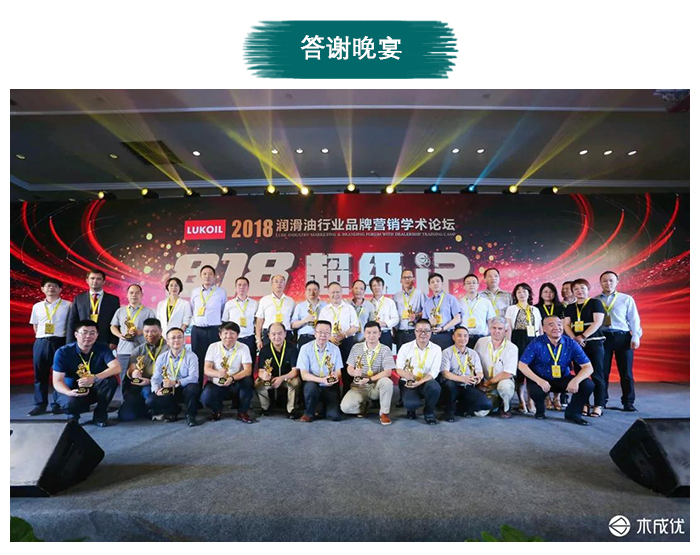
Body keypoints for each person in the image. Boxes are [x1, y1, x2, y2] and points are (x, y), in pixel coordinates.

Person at [518, 316, 595, 425]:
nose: (556, 328)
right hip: (541, 378)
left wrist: (576, 380)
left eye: (559, 324)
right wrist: (539, 380)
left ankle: (573, 413)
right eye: (551, 325)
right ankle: (540, 410)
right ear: (544, 329)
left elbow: (588, 367)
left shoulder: (571, 343)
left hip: (562, 378)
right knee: (535, 390)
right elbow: (522, 365)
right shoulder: (536, 343)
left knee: (587, 385)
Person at [52, 319, 120, 426]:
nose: (88, 336)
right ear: (76, 334)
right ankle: (72, 416)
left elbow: (116, 368)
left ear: (97, 335)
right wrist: (69, 392)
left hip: (92, 387)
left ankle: (100, 415)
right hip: (71, 389)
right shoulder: (63, 352)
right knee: (70, 403)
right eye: (84, 333)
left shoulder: (103, 348)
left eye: (92, 333)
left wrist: (95, 377)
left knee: (110, 381)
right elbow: (57, 381)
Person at [596, 271, 642, 412]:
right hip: (603, 338)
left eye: (611, 280)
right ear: (600, 283)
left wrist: (636, 336)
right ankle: (601, 401)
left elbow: (634, 319)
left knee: (626, 372)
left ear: (617, 282)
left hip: (623, 337)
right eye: (605, 280)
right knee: (603, 372)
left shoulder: (626, 299)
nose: (608, 283)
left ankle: (628, 402)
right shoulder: (595, 300)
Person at [28, 277, 72, 416]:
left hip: (60, 342)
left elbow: (70, 325)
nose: (51, 288)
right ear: (42, 289)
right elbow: (35, 326)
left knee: (60, 374)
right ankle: (40, 405)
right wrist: (43, 337)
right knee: (40, 374)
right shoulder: (37, 306)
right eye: (48, 286)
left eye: (55, 286)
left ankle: (58, 404)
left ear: (60, 289)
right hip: (41, 342)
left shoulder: (68, 305)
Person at [563, 278, 606, 418]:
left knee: (597, 374)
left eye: (582, 288)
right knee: (580, 375)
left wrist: (583, 336)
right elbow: (566, 325)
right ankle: (584, 404)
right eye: (576, 289)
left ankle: (598, 405)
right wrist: (574, 339)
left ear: (588, 289)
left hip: (593, 342)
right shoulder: (570, 307)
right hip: (577, 344)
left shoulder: (595, 303)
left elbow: (598, 322)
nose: (579, 291)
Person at [340, 321, 396, 425]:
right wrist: (353, 372)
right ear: (364, 334)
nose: (371, 336)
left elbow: (388, 372)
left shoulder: (385, 349)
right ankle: (364, 406)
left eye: (375, 333)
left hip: (376, 386)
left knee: (387, 382)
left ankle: (384, 413)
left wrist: (369, 379)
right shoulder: (356, 347)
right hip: (359, 387)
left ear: (379, 334)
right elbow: (349, 368)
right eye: (368, 333)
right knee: (345, 408)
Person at [201, 322, 254, 424]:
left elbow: (248, 370)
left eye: (232, 333)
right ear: (220, 335)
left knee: (248, 383)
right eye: (225, 333)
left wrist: (232, 378)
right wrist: (218, 374)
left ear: (237, 335)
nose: (229, 336)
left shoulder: (243, 347)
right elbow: (206, 369)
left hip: (235, 381)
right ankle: (217, 409)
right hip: (217, 382)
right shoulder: (213, 347)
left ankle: (242, 412)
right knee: (206, 398)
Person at [147, 327, 201, 427]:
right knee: (150, 400)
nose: (176, 340)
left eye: (179, 337)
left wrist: (176, 382)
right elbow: (156, 378)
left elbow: (194, 377)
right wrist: (156, 390)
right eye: (173, 338)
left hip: (184, 387)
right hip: (168, 389)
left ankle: (190, 415)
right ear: (167, 341)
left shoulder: (191, 356)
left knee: (193, 387)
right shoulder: (162, 357)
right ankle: (173, 411)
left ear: (184, 340)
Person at [396, 319, 442, 425]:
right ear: (415, 332)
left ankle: (429, 412)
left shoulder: (436, 349)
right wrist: (407, 375)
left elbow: (434, 371)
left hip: (426, 381)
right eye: (420, 330)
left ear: (431, 332)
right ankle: (411, 409)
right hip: (409, 382)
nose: (423, 333)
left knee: (435, 387)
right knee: (411, 404)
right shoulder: (405, 347)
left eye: (426, 330)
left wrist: (420, 382)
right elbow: (399, 369)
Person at [505, 282, 543, 413]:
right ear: (515, 295)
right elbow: (509, 328)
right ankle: (521, 400)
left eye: (524, 291)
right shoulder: (511, 309)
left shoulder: (535, 309)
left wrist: (542, 343)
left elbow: (539, 328)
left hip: (533, 341)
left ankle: (530, 400)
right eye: (519, 292)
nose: (522, 294)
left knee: (532, 371)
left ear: (529, 294)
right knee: (520, 371)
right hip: (518, 339)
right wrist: (508, 344)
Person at [118, 318, 165, 421]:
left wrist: (150, 381)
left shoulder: (168, 348)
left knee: (147, 392)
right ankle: (144, 409)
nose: (150, 334)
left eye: (154, 331)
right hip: (140, 384)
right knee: (126, 416)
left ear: (161, 331)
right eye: (146, 331)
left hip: (160, 384)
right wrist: (133, 373)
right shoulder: (138, 350)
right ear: (142, 332)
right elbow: (131, 369)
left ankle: (158, 409)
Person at [440, 327, 491, 421]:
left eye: (465, 336)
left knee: (486, 404)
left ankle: (461, 407)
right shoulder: (446, 352)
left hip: (468, 385)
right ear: (453, 337)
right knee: (449, 385)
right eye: (459, 336)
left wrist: (478, 377)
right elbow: (445, 373)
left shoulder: (473, 353)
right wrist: (463, 379)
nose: (462, 338)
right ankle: (448, 412)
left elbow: (479, 371)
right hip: (453, 385)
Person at [297, 320, 343, 422]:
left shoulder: (335, 349)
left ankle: (321, 407)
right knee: (311, 388)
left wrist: (334, 377)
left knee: (334, 416)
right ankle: (308, 413)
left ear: (330, 334)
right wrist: (322, 380)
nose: (323, 335)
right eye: (320, 332)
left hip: (330, 384)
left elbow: (338, 372)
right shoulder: (305, 348)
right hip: (313, 382)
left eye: (326, 332)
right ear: (315, 333)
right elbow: (304, 375)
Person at [190, 265, 228, 391]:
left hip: (214, 330)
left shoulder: (221, 292)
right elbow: (192, 309)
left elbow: (223, 311)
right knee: (197, 360)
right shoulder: (195, 292)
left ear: (214, 276)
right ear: (200, 276)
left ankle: (214, 389)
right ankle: (198, 390)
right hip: (198, 330)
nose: (207, 276)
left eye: (210, 274)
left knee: (216, 360)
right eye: (205, 274)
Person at [110, 284, 156, 385]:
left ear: (142, 295)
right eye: (131, 293)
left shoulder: (148, 312)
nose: (134, 295)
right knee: (123, 380)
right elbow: (113, 327)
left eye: (137, 293)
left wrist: (140, 332)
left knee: (140, 379)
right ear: (127, 295)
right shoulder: (120, 311)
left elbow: (154, 329)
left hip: (142, 351)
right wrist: (120, 335)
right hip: (123, 351)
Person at [255, 322, 302, 419]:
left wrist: (281, 378)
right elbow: (260, 371)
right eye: (273, 334)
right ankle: (265, 407)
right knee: (258, 384)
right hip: (271, 379)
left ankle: (291, 410)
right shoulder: (265, 350)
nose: (277, 337)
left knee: (296, 382)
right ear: (268, 335)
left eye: (280, 333)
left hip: (286, 378)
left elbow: (295, 371)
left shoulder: (292, 348)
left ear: (285, 334)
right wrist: (264, 376)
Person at [474, 317, 518, 418]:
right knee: (480, 413)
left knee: (505, 387)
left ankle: (506, 407)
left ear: (505, 331)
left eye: (500, 329)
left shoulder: (512, 348)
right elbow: (474, 361)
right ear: (490, 328)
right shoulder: (481, 342)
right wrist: (479, 381)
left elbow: (507, 373)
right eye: (494, 328)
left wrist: (489, 383)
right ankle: (496, 401)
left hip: (501, 381)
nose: (496, 331)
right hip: (483, 381)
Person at [318, 282, 359, 389]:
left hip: (346, 341)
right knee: (331, 368)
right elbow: (320, 328)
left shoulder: (349, 308)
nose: (335, 295)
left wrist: (344, 335)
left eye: (338, 292)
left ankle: (347, 392)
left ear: (342, 292)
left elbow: (355, 326)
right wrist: (330, 337)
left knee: (347, 368)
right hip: (329, 342)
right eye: (333, 292)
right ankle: (333, 393)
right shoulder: (324, 310)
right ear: (328, 293)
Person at [66, 269, 120, 348]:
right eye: (92, 278)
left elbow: (116, 322)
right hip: (83, 340)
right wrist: (70, 343)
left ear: (104, 281)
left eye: (98, 279)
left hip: (105, 341)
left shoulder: (113, 300)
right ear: (87, 280)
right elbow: (72, 321)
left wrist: (114, 341)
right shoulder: (79, 299)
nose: (95, 281)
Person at [535, 282, 566, 410]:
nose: (548, 294)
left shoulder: (560, 307)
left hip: (558, 340)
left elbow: (563, 325)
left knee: (559, 365)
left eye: (551, 292)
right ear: (541, 294)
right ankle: (547, 397)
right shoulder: (536, 308)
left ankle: (557, 397)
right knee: (544, 366)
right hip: (542, 341)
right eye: (545, 292)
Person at [422, 272, 462, 350]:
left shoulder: (450, 298)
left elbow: (457, 318)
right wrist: (429, 323)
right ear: (429, 286)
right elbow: (424, 321)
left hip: (447, 335)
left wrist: (443, 328)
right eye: (432, 282)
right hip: (432, 335)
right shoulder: (427, 302)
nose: (435, 283)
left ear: (442, 283)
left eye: (438, 281)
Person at [255, 274, 295, 349]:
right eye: (276, 281)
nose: (279, 284)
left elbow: (293, 320)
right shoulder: (264, 300)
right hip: (269, 333)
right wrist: (258, 339)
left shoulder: (291, 301)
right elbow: (259, 321)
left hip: (286, 333)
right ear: (272, 284)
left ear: (284, 284)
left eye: (281, 282)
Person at [223, 276, 259, 360]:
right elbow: (225, 322)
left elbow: (257, 322)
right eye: (239, 285)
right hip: (234, 339)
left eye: (244, 285)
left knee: (250, 363)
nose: (242, 287)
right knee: (233, 363)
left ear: (248, 287)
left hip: (249, 338)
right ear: (235, 287)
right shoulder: (229, 304)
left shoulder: (255, 304)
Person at [459, 273, 496, 348]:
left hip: (482, 337)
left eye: (474, 282)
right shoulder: (459, 302)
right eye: (468, 283)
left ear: (478, 285)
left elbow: (491, 321)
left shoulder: (486, 302)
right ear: (464, 286)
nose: (471, 285)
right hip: (464, 338)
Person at [393, 269, 426, 351]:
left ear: (413, 279)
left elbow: (426, 312)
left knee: (416, 355)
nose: (407, 280)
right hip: (400, 332)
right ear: (401, 280)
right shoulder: (396, 296)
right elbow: (394, 315)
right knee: (401, 356)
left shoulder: (420, 294)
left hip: (415, 331)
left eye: (409, 277)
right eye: (404, 277)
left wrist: (416, 315)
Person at [291, 280, 326, 348]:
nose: (312, 292)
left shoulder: (325, 306)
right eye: (309, 290)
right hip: (305, 337)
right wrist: (304, 320)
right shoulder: (300, 306)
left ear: (319, 291)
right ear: (305, 292)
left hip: (321, 337)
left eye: (314, 290)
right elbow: (293, 325)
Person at [368, 276, 399, 349]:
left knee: (386, 355)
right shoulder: (368, 303)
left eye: (379, 285)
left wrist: (384, 324)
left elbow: (395, 319)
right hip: (371, 335)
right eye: (374, 286)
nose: (376, 288)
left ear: (383, 287)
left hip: (385, 334)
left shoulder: (390, 302)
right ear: (371, 288)